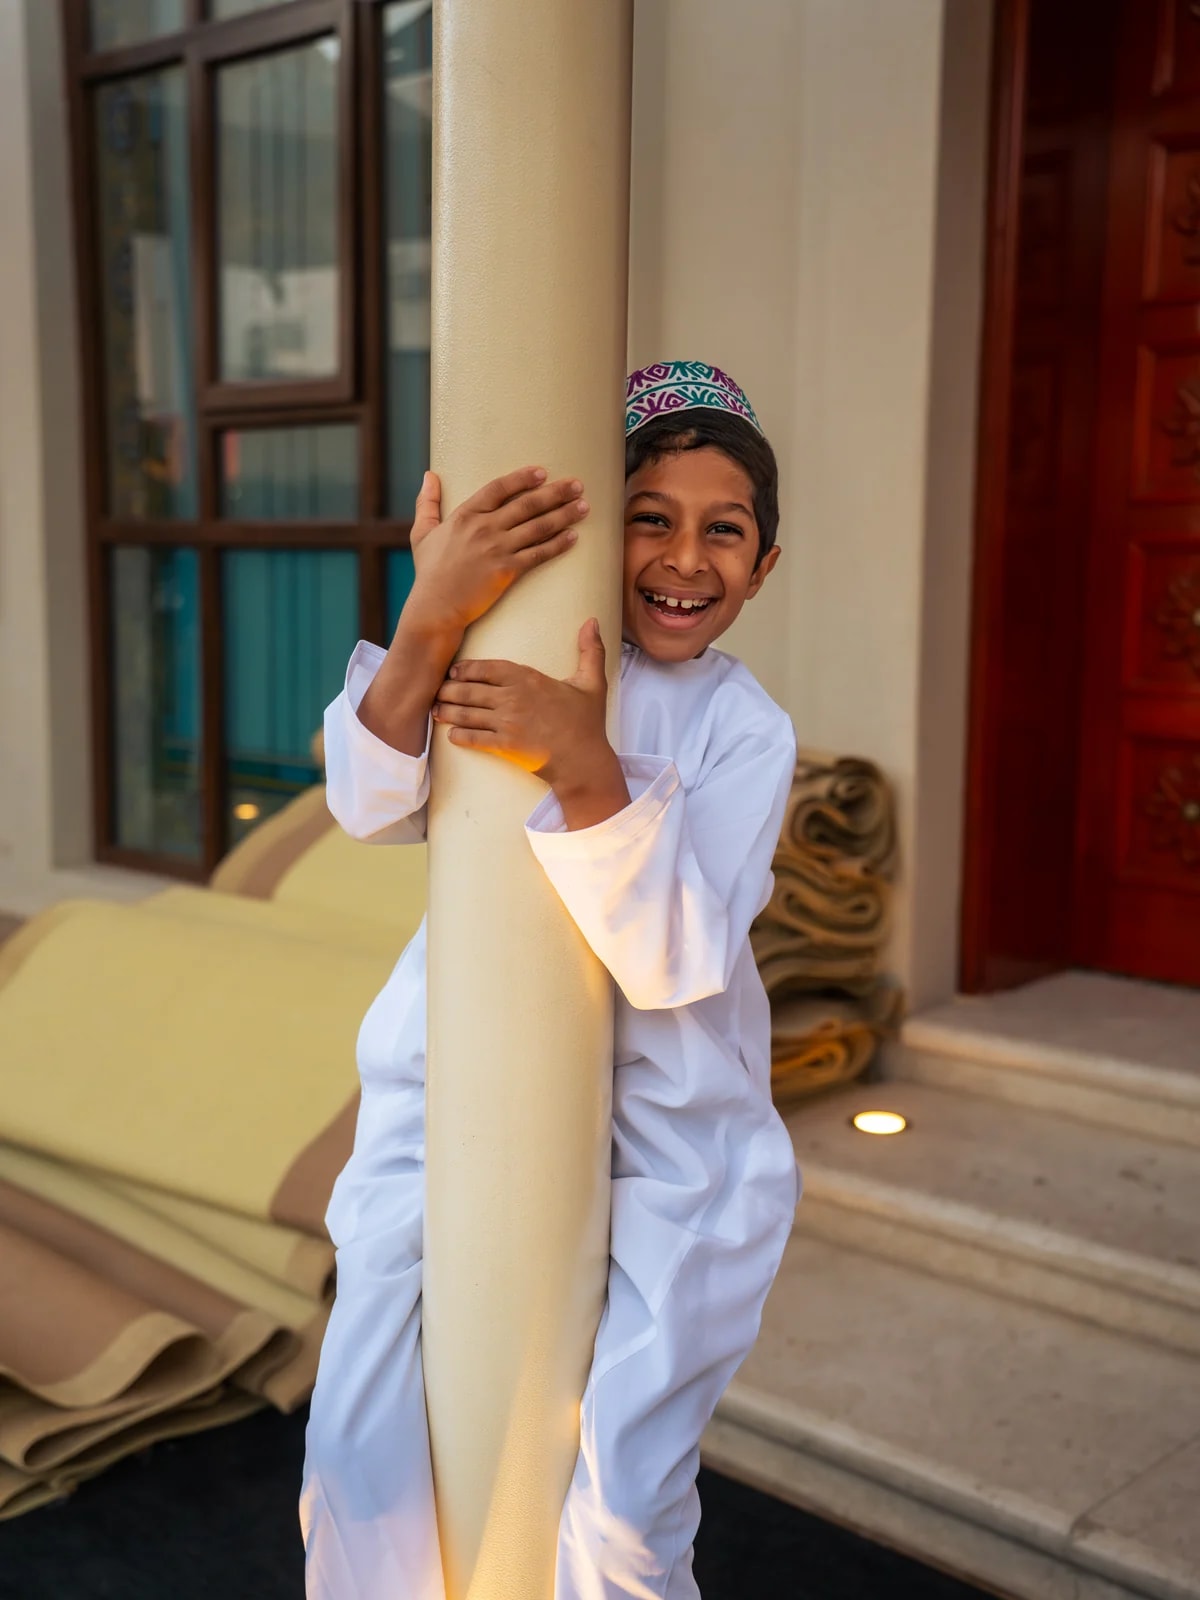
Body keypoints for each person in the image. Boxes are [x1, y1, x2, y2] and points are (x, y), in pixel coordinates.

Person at [301, 361, 800, 1599]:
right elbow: (369, 804)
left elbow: (677, 954)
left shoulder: (746, 730)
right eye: (652, 517)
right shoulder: (513, 641)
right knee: (360, 1455)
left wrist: (586, 766)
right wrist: (430, 618)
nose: (687, 557)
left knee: (624, 1503)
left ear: (765, 564)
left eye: (723, 529)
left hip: (677, 1146)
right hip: (449, 1090)